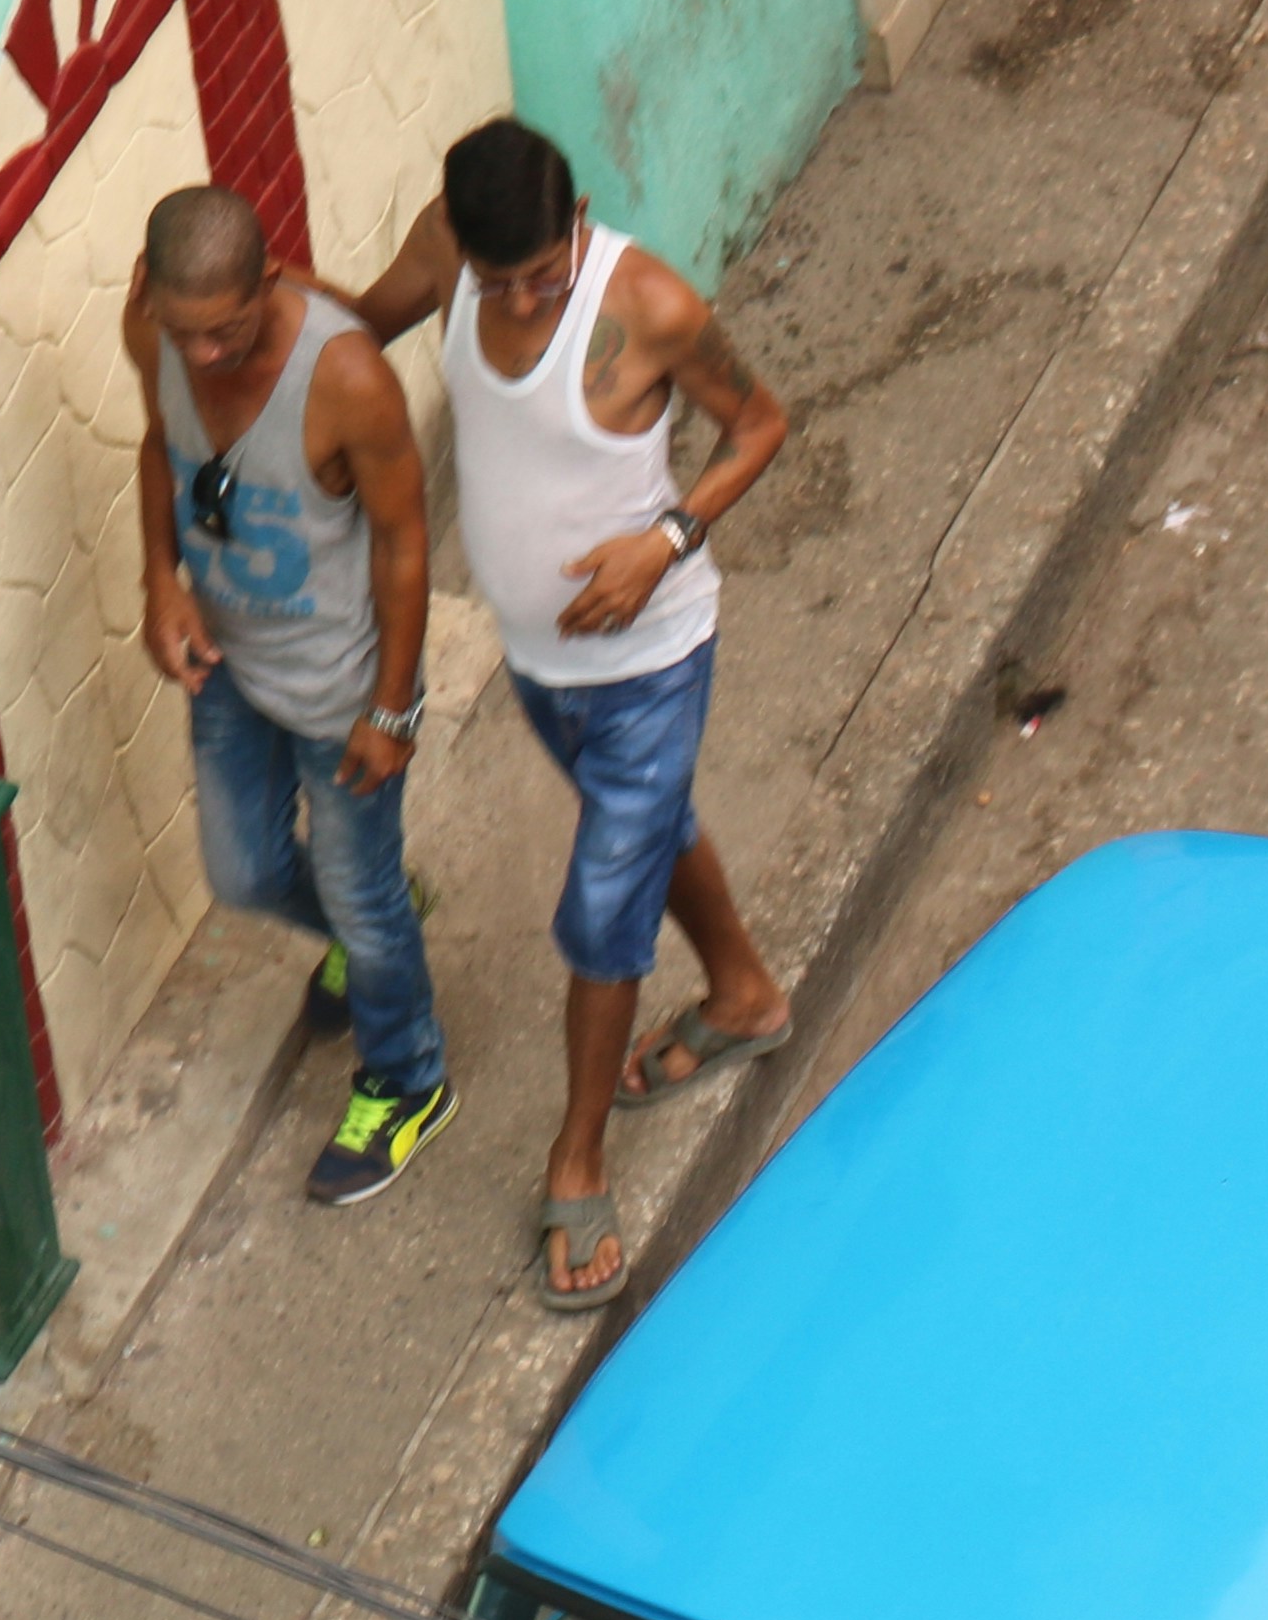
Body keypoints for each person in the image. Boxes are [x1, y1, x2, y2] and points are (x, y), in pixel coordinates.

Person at [346, 118, 797, 1313]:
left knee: (603, 909)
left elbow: (761, 425)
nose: (528, 299)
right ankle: (745, 994)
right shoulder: (446, 255)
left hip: (652, 655)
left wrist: (667, 540)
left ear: (581, 221)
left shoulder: (647, 304)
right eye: (503, 283)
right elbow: (354, 327)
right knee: (646, 831)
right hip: (544, 664)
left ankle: (577, 1159)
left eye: (546, 272)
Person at [128, 188, 443, 1205]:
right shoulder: (157, 331)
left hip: (340, 685)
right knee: (246, 873)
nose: (205, 357)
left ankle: (406, 1078)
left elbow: (403, 540)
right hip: (228, 661)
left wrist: (391, 710)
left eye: (226, 331)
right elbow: (156, 446)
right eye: (186, 335)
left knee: (359, 891)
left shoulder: (345, 378)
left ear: (269, 284)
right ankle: (382, 927)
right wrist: (159, 576)